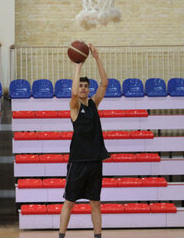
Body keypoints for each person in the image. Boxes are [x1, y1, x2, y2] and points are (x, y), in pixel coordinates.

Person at [59, 44, 109, 238]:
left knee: (95, 203)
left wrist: (97, 58)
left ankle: (98, 236)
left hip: (95, 161)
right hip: (78, 162)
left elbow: (104, 84)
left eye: (86, 86)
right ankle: (62, 235)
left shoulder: (94, 105)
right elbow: (73, 94)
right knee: (69, 202)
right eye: (81, 85)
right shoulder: (74, 107)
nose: (83, 88)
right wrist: (77, 66)